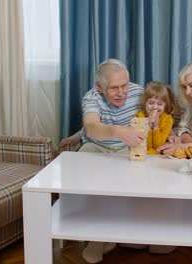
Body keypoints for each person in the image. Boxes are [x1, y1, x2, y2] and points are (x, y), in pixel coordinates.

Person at [79, 59, 145, 263]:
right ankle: (98, 239)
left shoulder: (139, 92)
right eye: (114, 88)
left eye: (124, 85)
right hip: (96, 147)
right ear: (99, 86)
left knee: (135, 179)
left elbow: (162, 109)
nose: (121, 92)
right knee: (90, 177)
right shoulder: (91, 97)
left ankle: (120, 233)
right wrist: (117, 131)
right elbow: (91, 127)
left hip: (127, 150)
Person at [135, 81, 177, 154]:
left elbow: (158, 147)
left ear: (165, 105)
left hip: (159, 157)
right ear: (145, 103)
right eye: (151, 103)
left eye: (160, 104)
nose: (155, 107)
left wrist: (155, 127)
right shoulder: (138, 118)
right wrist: (148, 127)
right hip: (142, 155)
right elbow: (145, 146)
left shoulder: (168, 120)